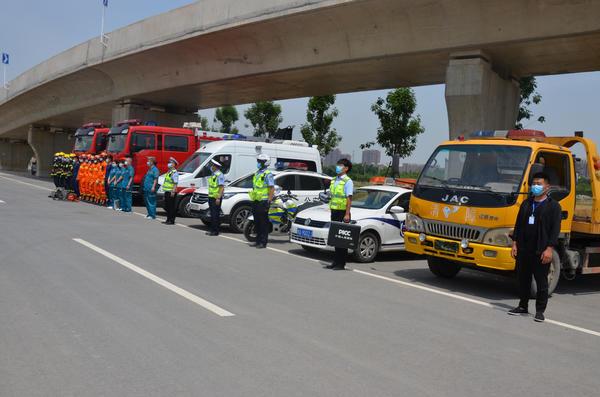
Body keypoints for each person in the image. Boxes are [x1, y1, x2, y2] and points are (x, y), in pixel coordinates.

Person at [508, 172, 561, 323]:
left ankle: (540, 311)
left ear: (547, 186)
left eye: (539, 183)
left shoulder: (553, 206)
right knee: (523, 279)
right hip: (524, 248)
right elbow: (518, 225)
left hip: (541, 249)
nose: (536, 186)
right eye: (534, 183)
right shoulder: (526, 203)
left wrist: (549, 248)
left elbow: (555, 229)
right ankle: (522, 306)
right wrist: (515, 243)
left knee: (541, 281)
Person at [325, 158, 354, 270]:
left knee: (342, 239)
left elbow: (349, 199)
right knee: (335, 238)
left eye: (340, 165)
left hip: (343, 212)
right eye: (337, 164)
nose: (338, 167)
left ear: (346, 168)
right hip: (334, 211)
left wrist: (347, 214)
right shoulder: (334, 180)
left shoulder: (348, 181)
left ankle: (341, 264)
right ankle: (335, 262)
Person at [249, 154, 275, 248]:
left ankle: (263, 242)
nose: (258, 163)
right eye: (258, 161)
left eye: (260, 162)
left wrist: (269, 201)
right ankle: (258, 240)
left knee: (263, 222)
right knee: (257, 222)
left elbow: (271, 188)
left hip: (263, 201)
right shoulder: (257, 173)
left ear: (265, 163)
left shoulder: (268, 174)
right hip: (256, 200)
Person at [206, 159, 225, 236]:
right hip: (211, 196)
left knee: (215, 214)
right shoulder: (213, 174)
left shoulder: (219, 175)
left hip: (216, 198)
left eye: (212, 165)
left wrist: (218, 198)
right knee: (212, 214)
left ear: (216, 167)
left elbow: (221, 187)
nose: (211, 167)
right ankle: (212, 230)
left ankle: (215, 231)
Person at [162, 157, 180, 225]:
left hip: (171, 192)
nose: (169, 164)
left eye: (171, 162)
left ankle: (171, 220)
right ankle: (168, 219)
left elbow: (175, 183)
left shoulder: (174, 172)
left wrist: (173, 191)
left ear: (174, 164)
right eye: (169, 162)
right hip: (167, 191)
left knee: (171, 207)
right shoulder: (169, 172)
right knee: (167, 206)